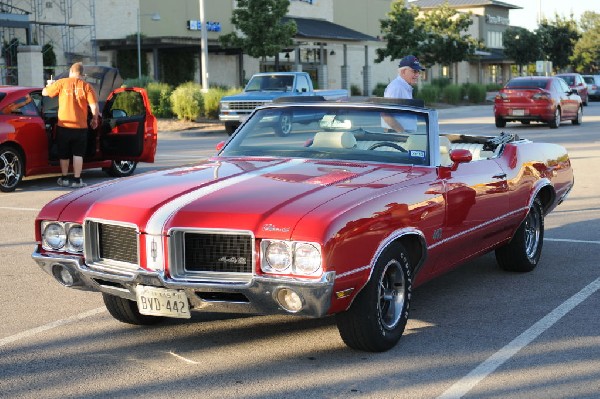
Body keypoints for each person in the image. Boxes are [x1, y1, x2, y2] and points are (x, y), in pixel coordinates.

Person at [42, 62, 100, 188]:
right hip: (80, 127)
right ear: (82, 74)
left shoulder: (62, 83)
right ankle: (77, 180)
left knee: (63, 153)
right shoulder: (87, 86)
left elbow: (44, 93)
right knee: (78, 154)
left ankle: (64, 179)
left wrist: (49, 85)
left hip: (64, 125)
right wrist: (95, 119)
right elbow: (94, 107)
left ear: (71, 72)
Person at [382, 55, 426, 132]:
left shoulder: (403, 87)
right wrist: (402, 133)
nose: (417, 75)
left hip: (402, 137)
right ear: (403, 72)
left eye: (418, 71)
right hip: (398, 137)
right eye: (414, 71)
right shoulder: (396, 87)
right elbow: (386, 114)